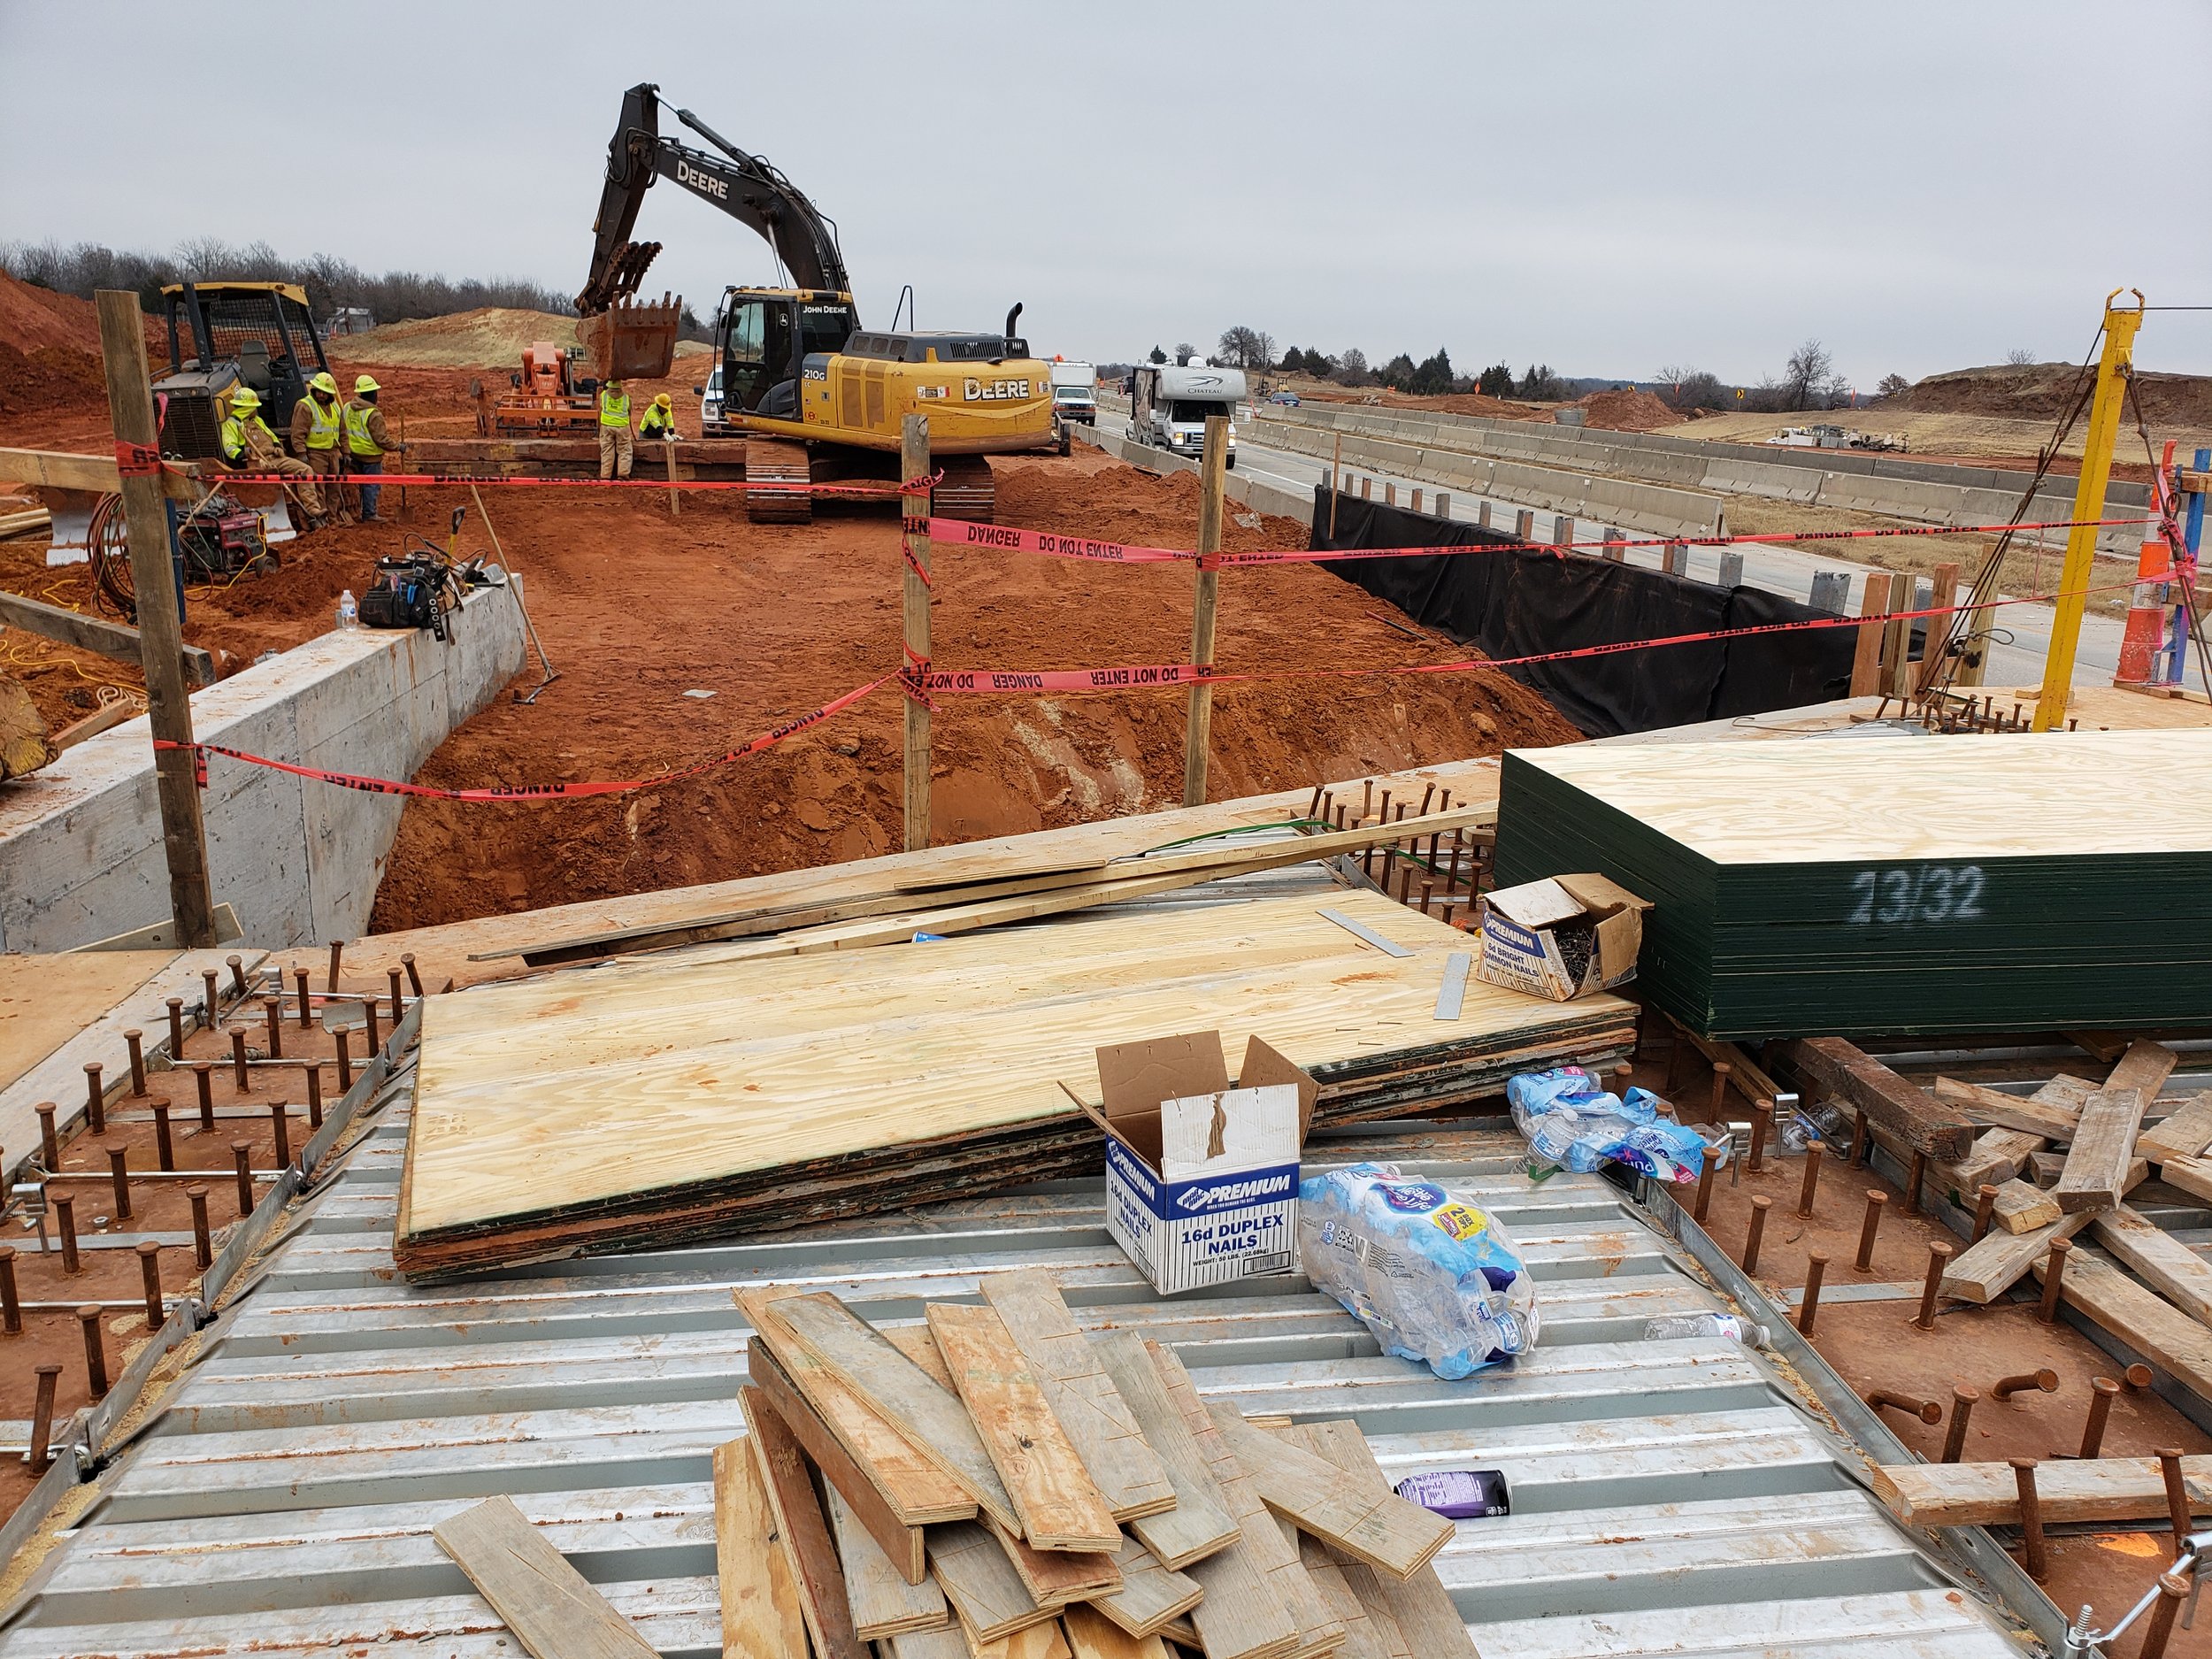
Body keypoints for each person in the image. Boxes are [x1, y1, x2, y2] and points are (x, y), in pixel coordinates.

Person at [219, 387, 326, 527]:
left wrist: (277, 447)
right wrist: (248, 454)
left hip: (275, 458)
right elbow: (230, 449)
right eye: (254, 407)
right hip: (257, 462)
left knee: (305, 470)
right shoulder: (232, 424)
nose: (256, 410)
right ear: (247, 408)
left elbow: (272, 436)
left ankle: (313, 509)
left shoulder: (257, 420)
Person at [342, 374, 406, 522]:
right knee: (371, 485)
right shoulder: (373, 413)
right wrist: (398, 447)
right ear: (372, 394)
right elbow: (381, 440)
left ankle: (357, 511)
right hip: (370, 456)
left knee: (358, 485)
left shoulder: (347, 407)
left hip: (352, 454)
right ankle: (369, 514)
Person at [291, 370, 349, 522]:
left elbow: (342, 431)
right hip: (315, 453)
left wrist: (346, 452)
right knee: (319, 489)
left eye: (325, 393)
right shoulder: (305, 406)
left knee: (334, 488)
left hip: (333, 453)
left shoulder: (336, 408)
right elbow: (297, 433)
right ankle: (322, 521)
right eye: (319, 392)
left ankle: (332, 518)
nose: (321, 395)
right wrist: (302, 454)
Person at [598, 378, 634, 480]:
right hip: (622, 427)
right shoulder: (626, 398)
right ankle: (623, 475)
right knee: (624, 449)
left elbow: (601, 407)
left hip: (606, 426)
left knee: (607, 450)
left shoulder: (603, 396)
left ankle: (605, 476)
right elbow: (630, 411)